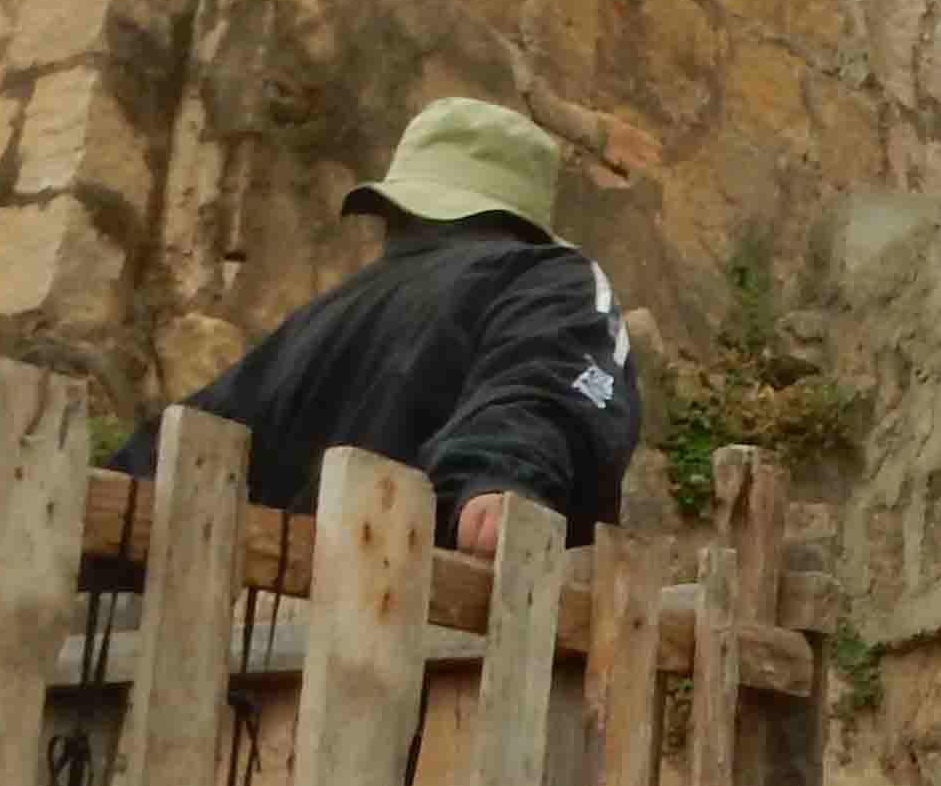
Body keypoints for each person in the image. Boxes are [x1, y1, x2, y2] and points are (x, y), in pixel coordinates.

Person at [120, 96, 638, 550]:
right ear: (526, 214)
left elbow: (184, 444)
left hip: (264, 644)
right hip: (429, 630)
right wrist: (501, 476)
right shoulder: (550, 278)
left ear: (398, 206)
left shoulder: (317, 319)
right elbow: (550, 377)